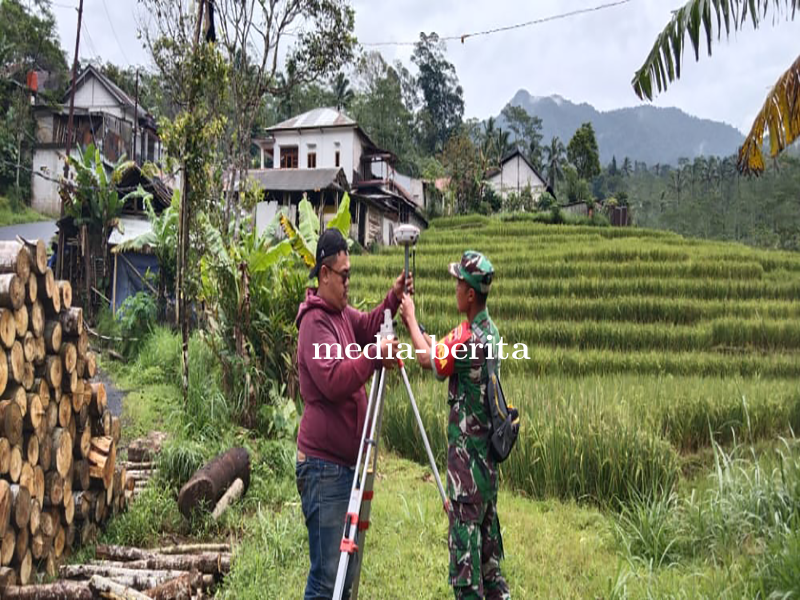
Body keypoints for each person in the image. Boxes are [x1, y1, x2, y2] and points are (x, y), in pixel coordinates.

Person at [294, 227, 410, 600]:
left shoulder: (342, 315)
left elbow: (371, 324)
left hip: (343, 467)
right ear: (324, 274)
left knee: (343, 576)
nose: (348, 283)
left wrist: (393, 298)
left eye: (350, 275)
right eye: (343, 275)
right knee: (327, 577)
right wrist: (377, 354)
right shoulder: (315, 323)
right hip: (323, 468)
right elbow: (333, 379)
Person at [399, 250, 510, 600]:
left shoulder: (469, 341)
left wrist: (411, 321)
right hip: (486, 474)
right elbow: (444, 347)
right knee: (490, 569)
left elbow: (429, 359)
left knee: (468, 578)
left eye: (459, 282)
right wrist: (421, 332)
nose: (455, 287)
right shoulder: (487, 332)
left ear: (471, 294)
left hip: (467, 478)